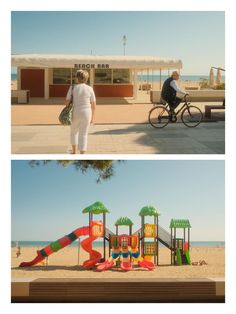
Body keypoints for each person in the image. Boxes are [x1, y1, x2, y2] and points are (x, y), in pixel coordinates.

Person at [64, 69, 96, 154]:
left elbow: (66, 102)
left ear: (77, 78)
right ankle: (82, 153)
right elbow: (94, 105)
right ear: (86, 78)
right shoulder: (90, 88)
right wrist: (92, 118)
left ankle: (74, 151)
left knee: (74, 132)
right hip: (87, 113)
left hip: (75, 112)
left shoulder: (72, 87)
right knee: (84, 134)